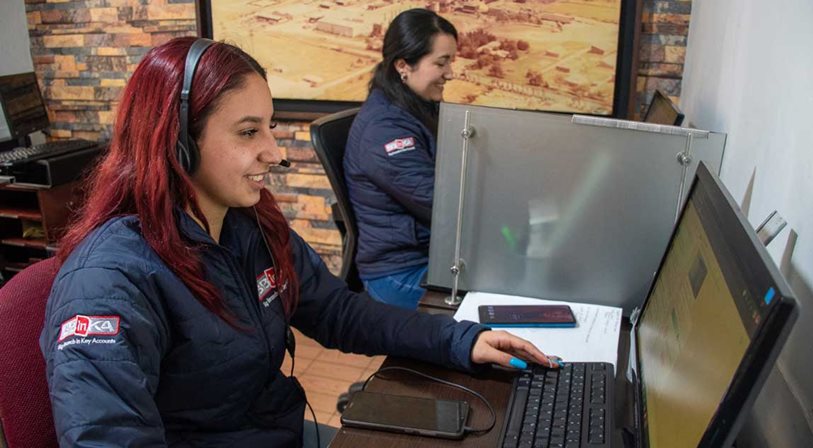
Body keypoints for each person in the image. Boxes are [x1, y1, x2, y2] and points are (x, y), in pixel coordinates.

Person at [39, 37, 552, 448]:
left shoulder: (249, 226)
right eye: (247, 132)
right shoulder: (108, 282)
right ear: (175, 142)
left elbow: (339, 314)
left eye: (271, 126)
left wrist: (461, 340)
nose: (274, 151)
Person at [344, 8, 456, 309]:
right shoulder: (385, 130)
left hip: (431, 257)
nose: (450, 73)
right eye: (441, 63)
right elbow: (443, 204)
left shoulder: (417, 108)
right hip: (399, 273)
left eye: (451, 61)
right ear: (403, 65)